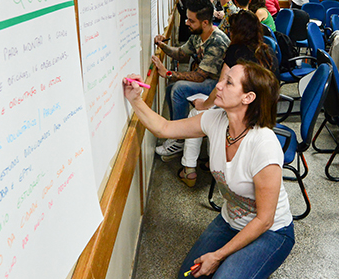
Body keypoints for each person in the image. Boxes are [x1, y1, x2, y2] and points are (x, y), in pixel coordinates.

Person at [123, 60, 293, 279]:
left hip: (272, 232)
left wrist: (218, 255)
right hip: (231, 220)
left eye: (229, 83)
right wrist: (134, 99)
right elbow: (164, 128)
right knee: (188, 275)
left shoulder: (264, 146)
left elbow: (265, 219)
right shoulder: (215, 119)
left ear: (248, 98)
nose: (219, 86)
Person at [179, 10, 278, 186]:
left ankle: (189, 170)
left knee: (197, 113)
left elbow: (222, 86)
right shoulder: (268, 50)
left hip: (243, 113)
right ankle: (212, 160)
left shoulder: (236, 50)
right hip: (263, 112)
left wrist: (204, 104)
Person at [151, 0, 230, 158]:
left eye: (191, 20)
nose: (187, 23)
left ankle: (179, 137)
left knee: (179, 88)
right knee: (171, 88)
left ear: (205, 23)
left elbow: (200, 76)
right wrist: (162, 45)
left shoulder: (217, 41)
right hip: (207, 80)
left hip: (219, 84)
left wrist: (168, 74)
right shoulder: (197, 34)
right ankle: (176, 133)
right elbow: (181, 53)